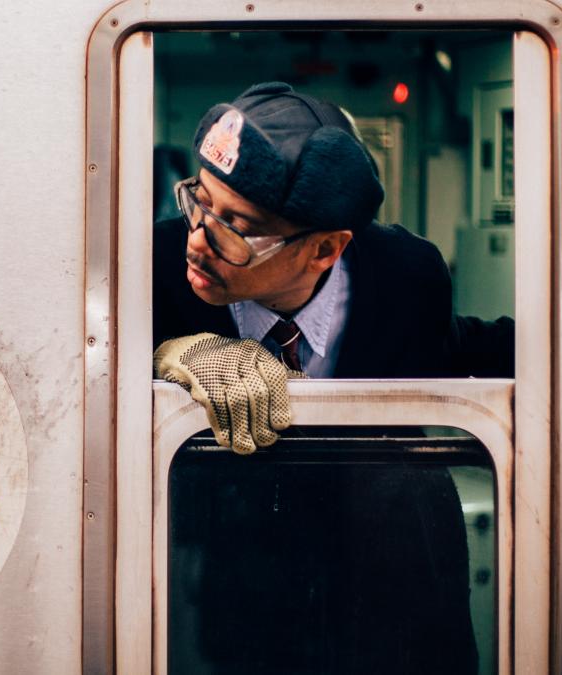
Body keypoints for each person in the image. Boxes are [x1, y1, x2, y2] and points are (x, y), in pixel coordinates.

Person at [154, 82, 504, 674]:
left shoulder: (406, 274)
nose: (199, 238)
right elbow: (80, 362)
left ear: (324, 250)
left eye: (237, 226)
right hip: (239, 577)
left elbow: (452, 349)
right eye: (200, 201)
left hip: (397, 577)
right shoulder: (154, 266)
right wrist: (172, 355)